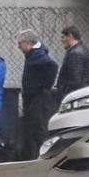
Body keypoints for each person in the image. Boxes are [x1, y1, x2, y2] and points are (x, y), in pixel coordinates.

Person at [16, 28, 59, 160]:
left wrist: (44, 86)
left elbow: (52, 66)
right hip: (33, 98)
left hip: (37, 98)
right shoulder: (33, 55)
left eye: (20, 44)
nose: (19, 47)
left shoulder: (38, 55)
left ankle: (42, 155)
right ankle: (34, 155)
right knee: (32, 129)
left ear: (28, 42)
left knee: (38, 128)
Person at [56, 25, 89, 101]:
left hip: (73, 96)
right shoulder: (82, 50)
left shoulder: (75, 54)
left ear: (70, 36)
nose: (61, 40)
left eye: (63, 37)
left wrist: (64, 93)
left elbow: (75, 80)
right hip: (80, 94)